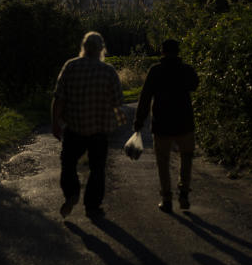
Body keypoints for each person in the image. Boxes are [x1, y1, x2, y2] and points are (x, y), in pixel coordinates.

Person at [52, 31, 122, 218]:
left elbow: (59, 98)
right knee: (97, 168)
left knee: (68, 163)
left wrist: (55, 123)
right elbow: (117, 101)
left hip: (74, 128)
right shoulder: (108, 71)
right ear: (101, 50)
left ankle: (72, 193)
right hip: (99, 129)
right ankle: (92, 206)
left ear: (83, 47)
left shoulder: (71, 66)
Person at [133, 38, 199, 213]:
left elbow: (145, 97)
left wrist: (139, 120)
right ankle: (184, 192)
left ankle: (167, 198)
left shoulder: (155, 71)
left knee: (163, 161)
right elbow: (195, 85)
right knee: (186, 157)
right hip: (185, 122)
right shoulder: (186, 70)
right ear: (178, 52)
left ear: (162, 52)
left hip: (162, 124)